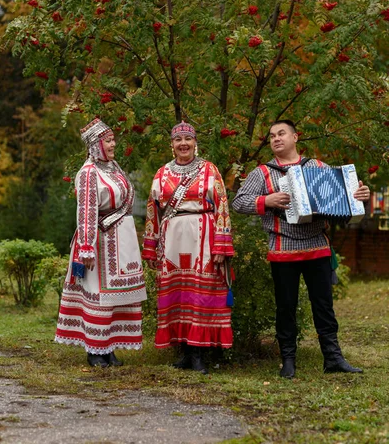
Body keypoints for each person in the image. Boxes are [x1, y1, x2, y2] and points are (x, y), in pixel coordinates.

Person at [232, 119, 370, 378]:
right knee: (285, 307)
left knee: (324, 305)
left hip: (317, 245)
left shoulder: (317, 167)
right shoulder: (262, 172)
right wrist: (266, 200)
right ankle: (288, 361)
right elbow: (238, 202)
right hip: (282, 247)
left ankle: (333, 358)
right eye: (272, 135)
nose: (276, 138)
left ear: (295, 138)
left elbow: (344, 195)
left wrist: (360, 194)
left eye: (281, 133)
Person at [142, 121, 234, 374]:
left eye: (188, 139)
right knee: (178, 294)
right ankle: (183, 352)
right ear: (171, 145)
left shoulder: (209, 171)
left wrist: (221, 246)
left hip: (202, 238)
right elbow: (153, 212)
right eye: (178, 140)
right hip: (171, 241)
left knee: (199, 296)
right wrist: (150, 247)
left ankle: (198, 355)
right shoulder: (162, 174)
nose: (183, 144)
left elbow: (222, 207)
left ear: (195, 143)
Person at [55, 118, 147, 368]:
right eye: (108, 140)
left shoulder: (114, 168)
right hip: (99, 242)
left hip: (121, 241)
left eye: (113, 139)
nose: (113, 143)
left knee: (117, 295)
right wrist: (86, 246)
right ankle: (95, 349)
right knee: (98, 294)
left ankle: (109, 347)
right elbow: (85, 210)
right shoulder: (88, 173)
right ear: (95, 144)